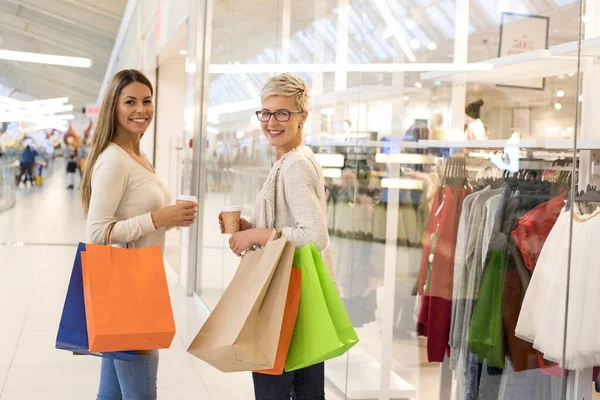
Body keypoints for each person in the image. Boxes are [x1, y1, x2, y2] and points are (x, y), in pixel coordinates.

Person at [80, 69, 198, 400]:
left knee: (113, 392)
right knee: (140, 393)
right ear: (113, 108)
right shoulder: (115, 161)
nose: (141, 110)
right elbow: (97, 233)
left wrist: (172, 218)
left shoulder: (138, 155)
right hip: (128, 289)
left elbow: (138, 218)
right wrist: (157, 219)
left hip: (139, 283)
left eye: (147, 101)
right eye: (130, 102)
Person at [219, 73, 336, 400]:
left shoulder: (295, 165)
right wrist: (249, 227)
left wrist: (258, 232)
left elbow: (314, 235)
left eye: (283, 113)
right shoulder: (291, 159)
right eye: (266, 112)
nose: (272, 121)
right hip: (296, 297)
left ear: (302, 117)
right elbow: (292, 222)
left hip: (286, 300)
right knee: (305, 387)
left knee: (277, 388)